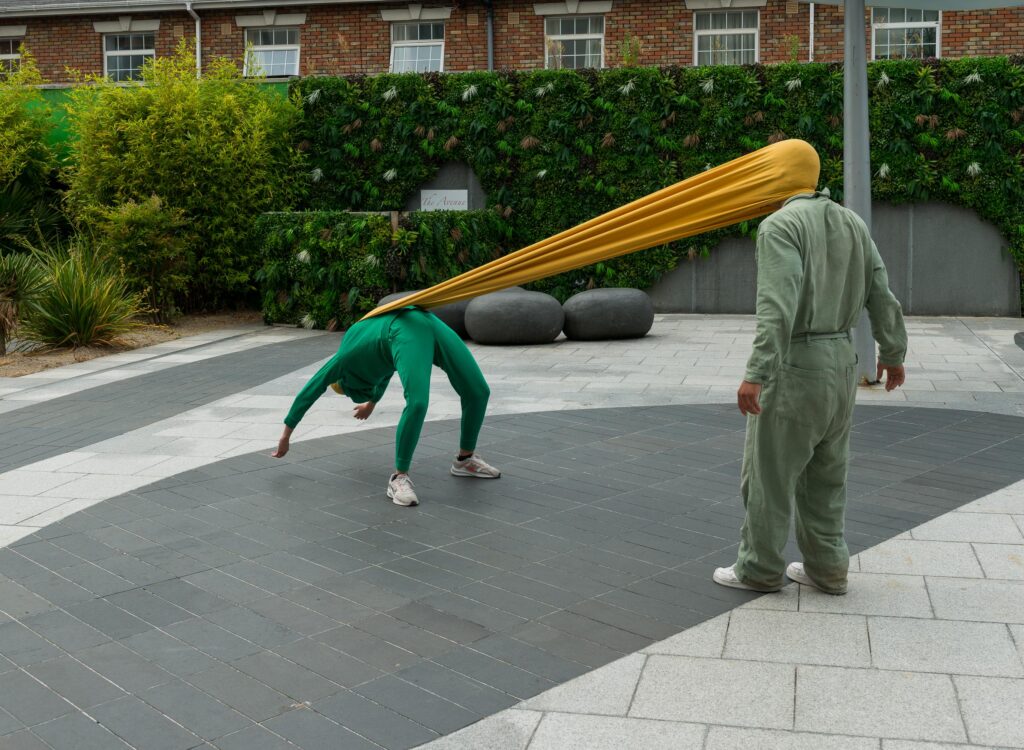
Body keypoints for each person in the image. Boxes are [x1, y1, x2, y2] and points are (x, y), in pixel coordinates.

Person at [713, 187, 907, 596]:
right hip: (842, 361)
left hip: (797, 363)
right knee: (828, 475)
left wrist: (757, 372)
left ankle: (759, 569)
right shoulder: (853, 223)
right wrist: (893, 352)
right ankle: (828, 569)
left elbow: (777, 306)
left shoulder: (780, 226)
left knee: (770, 475)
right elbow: (881, 292)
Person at [272, 306, 500, 506]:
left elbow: (310, 390)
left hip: (413, 322)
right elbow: (385, 368)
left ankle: (464, 460)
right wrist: (371, 404)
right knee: (418, 403)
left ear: (347, 383)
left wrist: (286, 434)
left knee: (478, 391)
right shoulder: (362, 366)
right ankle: (399, 477)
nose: (354, 395)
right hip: (408, 327)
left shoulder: (344, 359)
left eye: (350, 393)